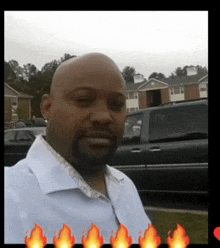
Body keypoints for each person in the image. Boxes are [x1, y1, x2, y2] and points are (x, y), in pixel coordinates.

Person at [4, 53, 151, 244]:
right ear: (47, 107)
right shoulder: (11, 195)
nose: (103, 117)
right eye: (84, 100)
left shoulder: (124, 186)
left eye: (116, 105)